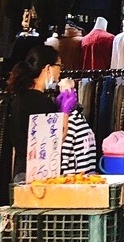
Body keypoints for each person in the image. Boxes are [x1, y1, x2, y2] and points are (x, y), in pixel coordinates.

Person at [8, 44, 96, 182]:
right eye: (59, 66)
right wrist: (65, 111)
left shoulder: (19, 98)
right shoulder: (41, 101)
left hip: (20, 171)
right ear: (48, 68)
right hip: (37, 174)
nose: (60, 71)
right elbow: (57, 137)